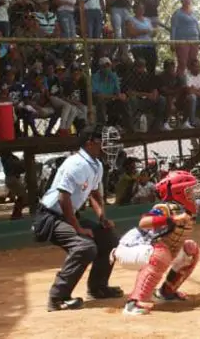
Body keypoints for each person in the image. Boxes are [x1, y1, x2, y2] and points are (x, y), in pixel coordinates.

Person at [113, 172, 200, 315]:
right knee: (161, 253)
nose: (192, 193)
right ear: (178, 192)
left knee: (190, 249)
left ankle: (166, 292)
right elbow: (144, 222)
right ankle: (133, 303)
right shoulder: (164, 207)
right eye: (188, 190)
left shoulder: (186, 207)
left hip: (150, 251)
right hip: (129, 249)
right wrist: (172, 220)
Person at [31, 125, 124, 311]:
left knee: (109, 239)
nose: (105, 146)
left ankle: (98, 288)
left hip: (67, 215)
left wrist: (102, 218)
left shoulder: (96, 164)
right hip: (50, 217)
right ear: (89, 143)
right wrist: (78, 228)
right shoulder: (76, 164)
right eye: (101, 142)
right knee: (85, 247)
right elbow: (63, 198)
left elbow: (94, 193)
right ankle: (58, 298)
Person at [170, 0, 200, 78]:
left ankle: (191, 83)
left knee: (192, 63)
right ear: (182, 0)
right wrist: (172, 42)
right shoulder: (177, 13)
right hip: (182, 40)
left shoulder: (194, 13)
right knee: (182, 63)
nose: (189, 0)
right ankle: (179, 84)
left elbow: (197, 27)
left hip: (194, 40)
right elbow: (173, 28)